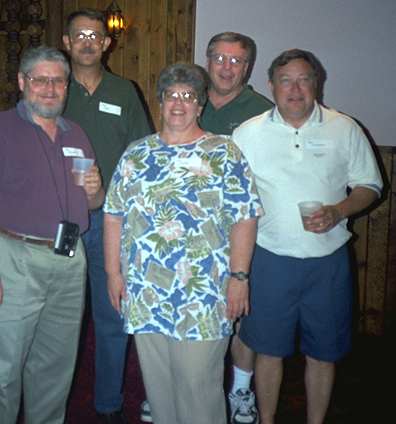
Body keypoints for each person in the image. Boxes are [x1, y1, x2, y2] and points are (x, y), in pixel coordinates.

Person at [103, 62, 262, 424]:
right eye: (171, 95)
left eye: (188, 95)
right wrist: (113, 273)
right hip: (146, 290)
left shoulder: (223, 152)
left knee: (196, 385)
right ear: (160, 102)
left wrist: (239, 277)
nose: (178, 102)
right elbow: (113, 215)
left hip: (203, 291)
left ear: (200, 105)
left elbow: (244, 217)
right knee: (158, 388)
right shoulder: (136, 154)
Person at [232, 49, 383, 424]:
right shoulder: (247, 133)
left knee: (323, 354)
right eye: (285, 80)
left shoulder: (344, 128)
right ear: (271, 85)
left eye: (303, 80)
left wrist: (339, 211)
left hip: (327, 264)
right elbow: (233, 198)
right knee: (268, 351)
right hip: (269, 260)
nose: (295, 89)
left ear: (317, 84)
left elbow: (370, 185)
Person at [0, 45, 103, 423]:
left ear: (67, 86)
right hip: (13, 258)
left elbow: (92, 203)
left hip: (69, 260)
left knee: (55, 368)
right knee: (1, 369)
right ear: (23, 82)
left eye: (58, 81)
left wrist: (95, 191)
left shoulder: (76, 133)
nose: (50, 89)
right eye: (40, 80)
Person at [62, 8, 152, 424]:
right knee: (59, 317)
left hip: (111, 222)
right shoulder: (52, 86)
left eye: (94, 36)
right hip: (59, 220)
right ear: (67, 42)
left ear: (107, 43)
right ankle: (50, 402)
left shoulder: (124, 90)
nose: (87, 42)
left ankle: (109, 402)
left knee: (112, 314)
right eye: (79, 35)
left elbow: (141, 154)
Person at [200, 31, 273, 424]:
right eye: (219, 58)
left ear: (247, 67)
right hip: (194, 230)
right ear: (207, 61)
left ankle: (240, 391)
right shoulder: (189, 100)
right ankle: (187, 386)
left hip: (243, 230)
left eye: (235, 60)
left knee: (239, 310)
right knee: (196, 309)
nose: (226, 67)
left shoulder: (263, 111)